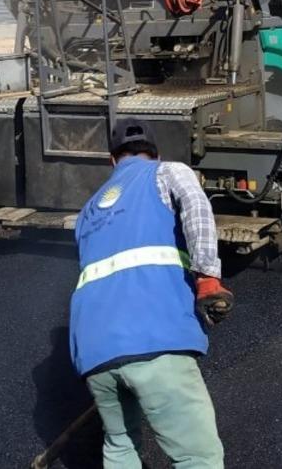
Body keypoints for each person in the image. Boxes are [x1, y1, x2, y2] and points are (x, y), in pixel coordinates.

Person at [69, 117, 232, 468]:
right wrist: (207, 277)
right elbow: (197, 208)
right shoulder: (168, 172)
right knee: (196, 456)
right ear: (155, 153)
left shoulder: (88, 210)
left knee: (120, 446)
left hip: (93, 349)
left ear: (113, 161)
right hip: (154, 336)